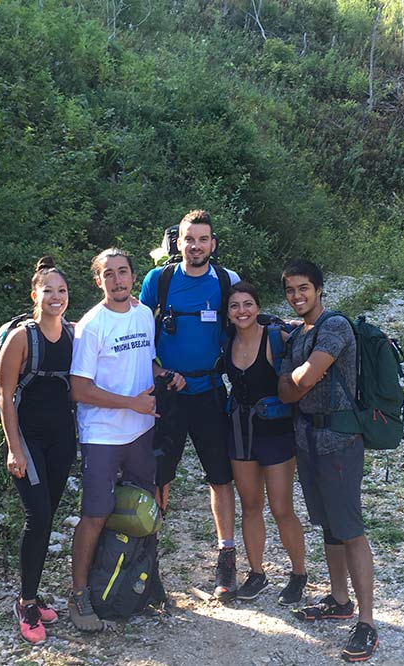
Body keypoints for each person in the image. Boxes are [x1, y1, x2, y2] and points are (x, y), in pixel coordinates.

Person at [68, 248, 184, 632]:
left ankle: (144, 582)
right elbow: (80, 389)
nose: (117, 280)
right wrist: (130, 403)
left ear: (134, 276)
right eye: (109, 274)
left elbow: (145, 362)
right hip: (102, 434)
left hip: (140, 430)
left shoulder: (142, 316)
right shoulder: (91, 325)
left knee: (146, 508)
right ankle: (80, 595)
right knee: (96, 513)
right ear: (97, 281)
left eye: (123, 272)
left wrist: (165, 373)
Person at [277, 260, 379, 663]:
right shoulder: (297, 335)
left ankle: (367, 622)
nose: (297, 296)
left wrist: (297, 380)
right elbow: (289, 390)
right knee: (329, 526)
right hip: (307, 439)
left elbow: (299, 382)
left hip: (338, 441)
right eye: (290, 291)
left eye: (304, 288)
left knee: (350, 529)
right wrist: (296, 380)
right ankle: (340, 600)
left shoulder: (335, 327)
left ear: (320, 289)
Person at [139, 209, 242, 601]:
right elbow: (137, 339)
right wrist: (159, 375)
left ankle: (226, 557)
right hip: (169, 394)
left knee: (220, 476)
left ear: (213, 244)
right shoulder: (158, 280)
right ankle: (147, 560)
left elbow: (245, 326)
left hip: (211, 391)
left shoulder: (225, 281)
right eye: (188, 239)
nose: (195, 246)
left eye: (203, 239)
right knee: (160, 475)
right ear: (176, 242)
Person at [0, 257, 76, 645]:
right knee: (38, 515)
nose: (56, 297)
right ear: (35, 295)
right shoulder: (22, 338)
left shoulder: (73, 335)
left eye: (61, 291)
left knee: (46, 518)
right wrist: (14, 449)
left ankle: (33, 592)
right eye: (48, 291)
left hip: (63, 440)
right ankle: (26, 603)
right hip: (28, 440)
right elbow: (4, 394)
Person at [223, 282, 308, 605]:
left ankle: (299, 573)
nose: (242, 311)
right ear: (228, 313)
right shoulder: (226, 340)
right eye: (234, 306)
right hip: (240, 431)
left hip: (276, 432)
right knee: (250, 506)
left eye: (247, 304)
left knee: (282, 509)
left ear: (258, 307)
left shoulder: (277, 338)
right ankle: (257, 572)